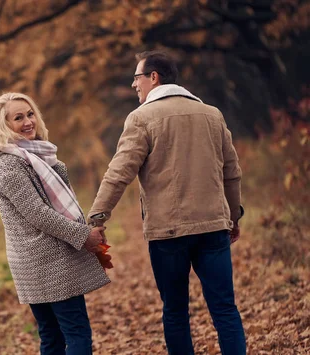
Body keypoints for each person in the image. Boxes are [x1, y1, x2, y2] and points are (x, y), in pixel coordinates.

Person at [87, 51, 246, 355]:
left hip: (168, 233)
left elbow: (120, 172)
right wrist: (233, 216)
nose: (135, 85)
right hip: (213, 227)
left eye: (137, 78)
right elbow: (232, 172)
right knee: (225, 309)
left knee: (175, 311)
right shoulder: (212, 114)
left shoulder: (142, 118)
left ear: (154, 77)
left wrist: (97, 217)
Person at [0, 92, 111, 355]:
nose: (28, 121)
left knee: (52, 336)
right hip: (45, 262)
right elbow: (38, 214)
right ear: (3, 125)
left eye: (30, 114)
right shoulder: (9, 165)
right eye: (18, 118)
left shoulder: (36, 156)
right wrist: (83, 235)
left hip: (44, 260)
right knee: (74, 332)